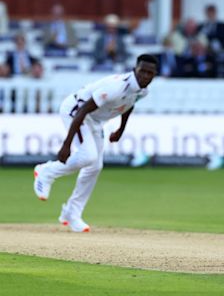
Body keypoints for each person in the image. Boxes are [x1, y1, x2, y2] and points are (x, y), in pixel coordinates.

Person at [33, 54, 158, 232]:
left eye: (150, 73)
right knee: (88, 156)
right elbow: (82, 110)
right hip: (75, 111)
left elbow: (130, 105)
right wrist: (66, 144)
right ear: (134, 70)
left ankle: (71, 213)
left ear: (154, 74)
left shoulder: (143, 90)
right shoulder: (117, 87)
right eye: (142, 71)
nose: (145, 76)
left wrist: (120, 129)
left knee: (95, 166)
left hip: (95, 120)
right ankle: (47, 171)